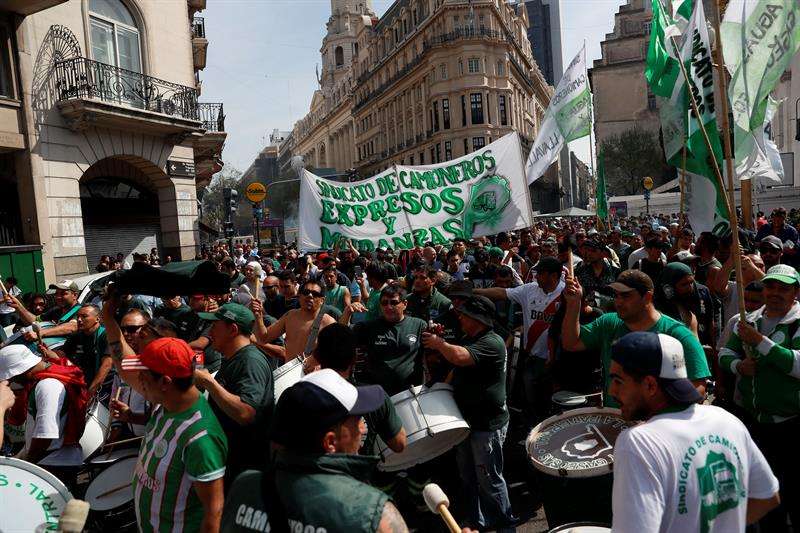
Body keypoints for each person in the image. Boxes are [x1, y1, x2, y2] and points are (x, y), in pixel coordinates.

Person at [609, 331, 780, 533]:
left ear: (650, 385)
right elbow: (767, 497)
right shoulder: (726, 420)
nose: (612, 391)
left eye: (618, 381)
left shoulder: (639, 442)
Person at [262, 369, 410, 532]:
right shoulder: (374, 515)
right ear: (330, 441)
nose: (361, 429)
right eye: (356, 421)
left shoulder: (245, 486)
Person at [422, 295, 517, 531]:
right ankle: (479, 522)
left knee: (490, 479)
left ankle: (506, 525)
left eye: (464, 314)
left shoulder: (491, 342)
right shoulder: (471, 337)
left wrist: (439, 343)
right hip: (466, 421)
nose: (460, 317)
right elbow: (455, 363)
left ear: (478, 318)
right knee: (469, 477)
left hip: (487, 424)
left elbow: (460, 357)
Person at [718, 264, 800, 531]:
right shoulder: (747, 319)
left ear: (795, 293)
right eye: (770, 286)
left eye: (783, 289)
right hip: (755, 422)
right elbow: (724, 354)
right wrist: (738, 366)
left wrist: (761, 342)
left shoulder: (797, 323)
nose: (775, 293)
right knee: (764, 493)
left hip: (791, 424)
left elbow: (797, 366)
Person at [121, 337, 227, 533]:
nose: (139, 381)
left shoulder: (201, 439)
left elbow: (214, 513)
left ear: (165, 382)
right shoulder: (163, 405)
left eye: (143, 376)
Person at [562, 270, 711, 407]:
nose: (618, 302)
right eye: (616, 295)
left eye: (626, 295)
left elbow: (699, 389)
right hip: (613, 421)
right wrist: (574, 303)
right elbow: (571, 343)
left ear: (647, 297)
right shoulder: (608, 324)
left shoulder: (678, 335)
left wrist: (656, 414)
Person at [194, 303, 274, 486]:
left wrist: (209, 382)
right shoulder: (234, 358)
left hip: (244, 471)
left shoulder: (251, 361)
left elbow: (246, 413)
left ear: (233, 329)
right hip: (230, 463)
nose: (210, 332)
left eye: (215, 326)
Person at [475, 256, 564, 421]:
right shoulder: (529, 289)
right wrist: (474, 292)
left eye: (540, 274)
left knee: (552, 400)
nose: (535, 277)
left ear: (553, 276)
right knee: (531, 397)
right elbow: (502, 293)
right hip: (531, 357)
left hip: (557, 361)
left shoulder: (567, 294)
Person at [0, 344, 88, 487]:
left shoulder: (48, 386)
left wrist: (26, 465)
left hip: (53, 466)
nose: (12, 382)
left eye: (12, 378)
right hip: (51, 461)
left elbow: (45, 436)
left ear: (21, 371)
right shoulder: (43, 379)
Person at [342, 285, 426, 397]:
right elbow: (340, 337)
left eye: (394, 303)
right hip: (377, 395)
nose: (389, 307)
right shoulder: (369, 327)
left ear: (404, 304)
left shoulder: (419, 325)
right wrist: (347, 312)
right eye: (384, 303)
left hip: (411, 394)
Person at [253, 279, 336, 362]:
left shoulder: (329, 323)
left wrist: (316, 364)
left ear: (322, 300)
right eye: (306, 292)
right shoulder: (290, 316)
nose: (310, 295)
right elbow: (264, 338)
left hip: (315, 374)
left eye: (315, 294)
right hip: (291, 371)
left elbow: (336, 355)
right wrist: (259, 316)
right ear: (299, 296)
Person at [41, 303, 111, 396]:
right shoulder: (76, 336)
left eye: (84, 316)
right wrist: (47, 352)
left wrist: (90, 392)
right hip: (82, 383)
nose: (79, 320)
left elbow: (106, 366)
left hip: (103, 388)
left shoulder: (106, 336)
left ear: (97, 319)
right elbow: (61, 356)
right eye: (78, 316)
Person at [655, 262, 717, 348]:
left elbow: (710, 321)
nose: (690, 287)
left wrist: (713, 347)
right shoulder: (659, 302)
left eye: (691, 282)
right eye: (684, 284)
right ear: (669, 287)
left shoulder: (702, 292)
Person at [13, 280, 81, 341]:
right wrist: (18, 306)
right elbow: (35, 321)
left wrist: (40, 333)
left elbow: (72, 326)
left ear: (75, 295)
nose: (58, 297)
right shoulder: (56, 310)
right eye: (56, 293)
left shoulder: (81, 310)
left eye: (63, 294)